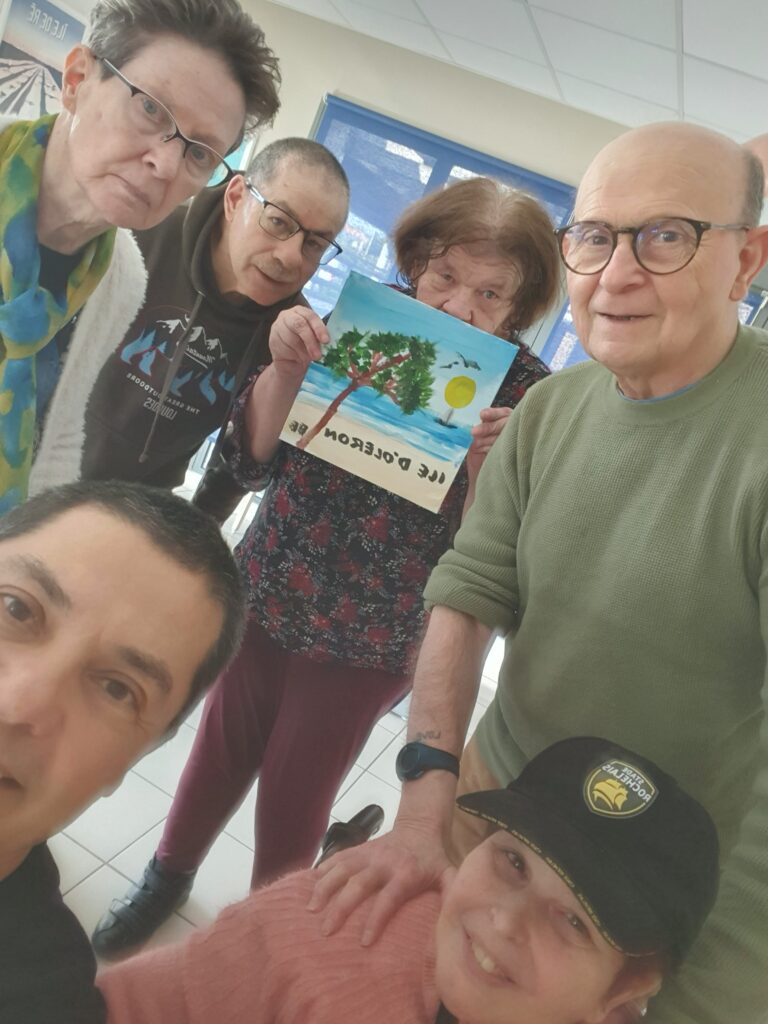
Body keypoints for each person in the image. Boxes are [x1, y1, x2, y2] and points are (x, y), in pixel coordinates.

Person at [309, 123, 768, 1024]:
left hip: (661, 881)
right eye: (594, 236)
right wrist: (425, 805)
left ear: (746, 261)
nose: (616, 274)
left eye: (666, 236)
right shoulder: (549, 409)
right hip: (496, 796)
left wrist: (721, 980)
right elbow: (467, 591)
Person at [91, 177, 561, 958]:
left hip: (376, 632)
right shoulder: (359, 320)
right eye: (444, 276)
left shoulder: (525, 394)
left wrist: (487, 469)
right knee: (219, 748)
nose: (457, 307)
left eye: (490, 294)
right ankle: (166, 874)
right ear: (415, 262)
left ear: (520, 305)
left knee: (296, 788)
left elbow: (488, 557)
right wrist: (283, 369)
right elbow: (250, 461)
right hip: (269, 583)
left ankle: (267, 935)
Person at [97, 737, 719, 1024]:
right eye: (513, 861)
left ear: (625, 990)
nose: (505, 920)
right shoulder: (327, 927)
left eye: (576, 921)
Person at [0, 0, 280, 514]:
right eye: (151, 108)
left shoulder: (121, 278)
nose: (165, 163)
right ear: (77, 79)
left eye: (199, 152)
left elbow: (57, 437)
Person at [0, 479, 246, 1023]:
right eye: (16, 608)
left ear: (134, 759)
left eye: (117, 689)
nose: (16, 705)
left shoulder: (42, 997)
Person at [63, 138, 348, 517]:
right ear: (235, 198)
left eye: (314, 244)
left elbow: (237, 467)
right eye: (278, 221)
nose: (290, 256)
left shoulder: (290, 340)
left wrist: (195, 533)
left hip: (138, 516)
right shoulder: (141, 232)